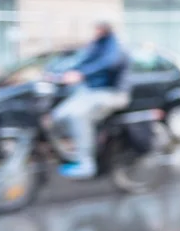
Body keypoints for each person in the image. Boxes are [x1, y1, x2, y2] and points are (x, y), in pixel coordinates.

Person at [52, 21, 131, 179]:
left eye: (97, 28)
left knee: (79, 116)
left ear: (104, 29)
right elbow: (81, 61)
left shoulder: (114, 45)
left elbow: (108, 63)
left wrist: (82, 74)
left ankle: (86, 163)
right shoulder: (96, 44)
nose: (94, 31)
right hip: (91, 92)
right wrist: (59, 73)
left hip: (112, 93)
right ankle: (73, 149)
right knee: (58, 115)